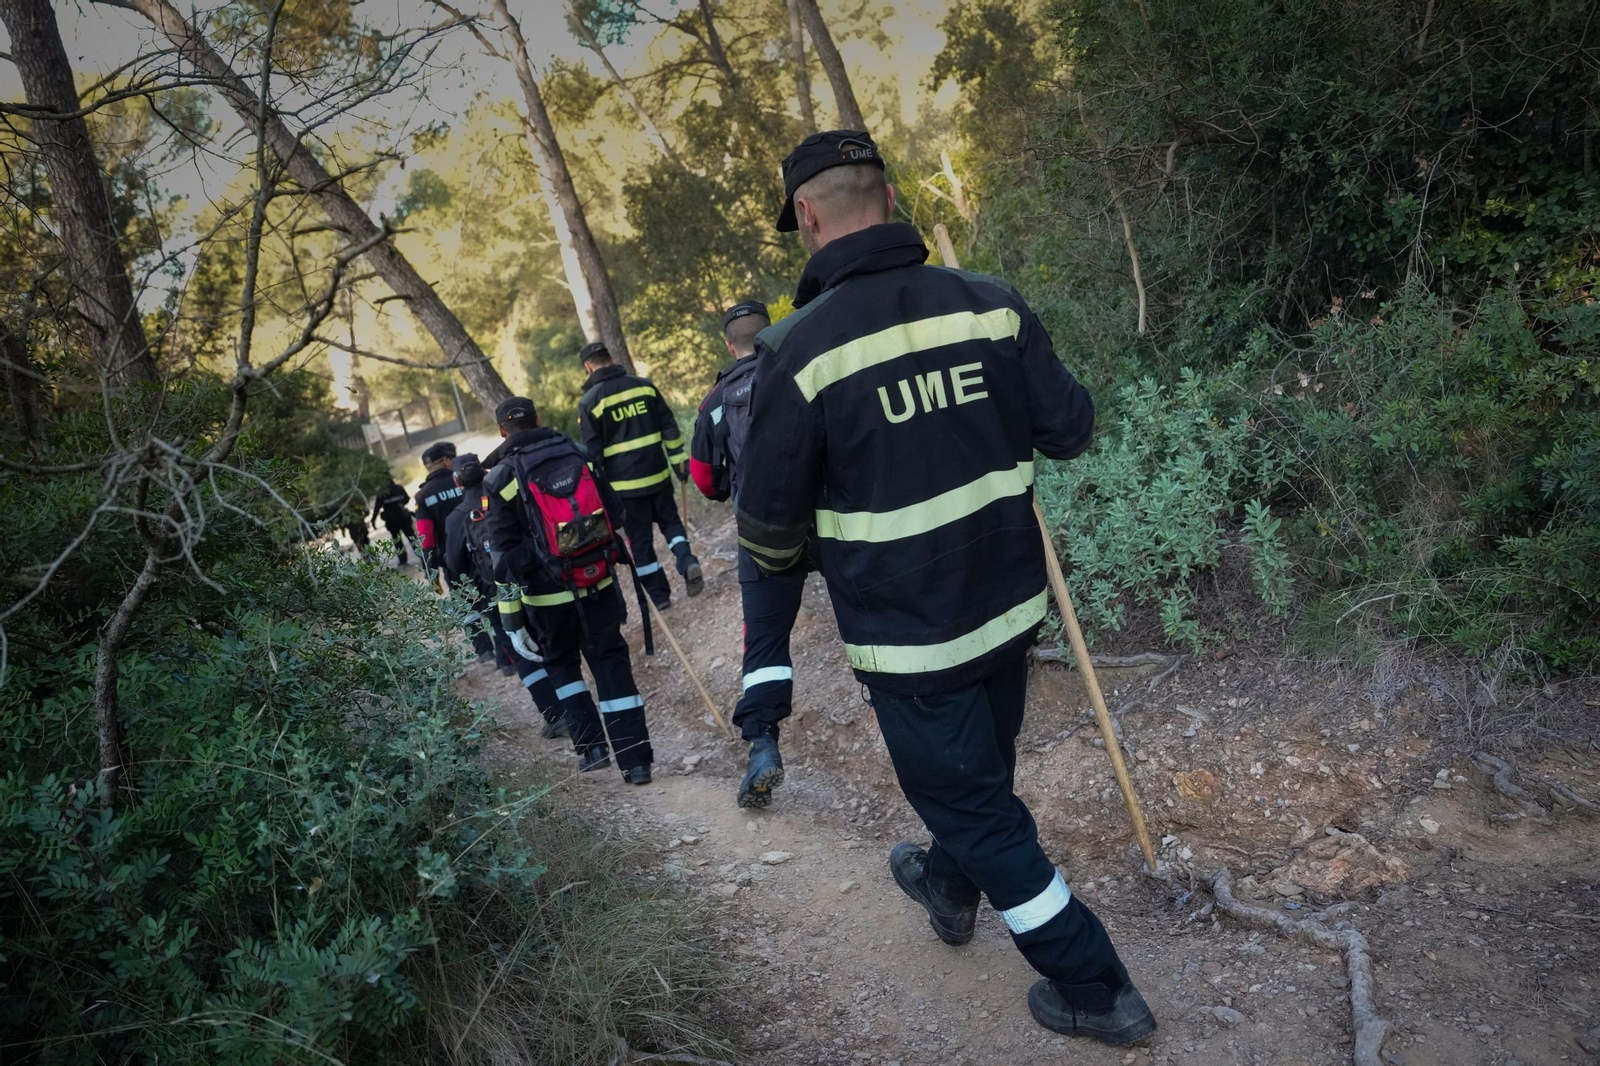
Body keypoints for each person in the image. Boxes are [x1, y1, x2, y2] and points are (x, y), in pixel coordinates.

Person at [734, 130, 1156, 1046]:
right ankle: (947, 885)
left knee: (974, 804)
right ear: (887, 198)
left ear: (807, 215)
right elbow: (1072, 429)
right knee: (977, 779)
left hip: (911, 639)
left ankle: (1096, 988)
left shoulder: (797, 352)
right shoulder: (989, 307)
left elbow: (765, 531)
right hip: (1008, 611)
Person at [485, 396, 653, 783]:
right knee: (612, 665)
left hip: (546, 602)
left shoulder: (500, 478)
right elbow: (618, 514)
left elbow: (505, 559)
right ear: (538, 418)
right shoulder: (579, 454)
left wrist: (512, 621)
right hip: (598, 584)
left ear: (501, 431)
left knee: (562, 666)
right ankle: (636, 761)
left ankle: (592, 751)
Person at [690, 300, 814, 808]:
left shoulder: (716, 401)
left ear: (729, 344)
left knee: (764, 642)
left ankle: (762, 742)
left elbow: (704, 479)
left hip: (762, 534)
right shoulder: (802, 368)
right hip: (828, 519)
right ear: (771, 331)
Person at [446, 452, 568, 739]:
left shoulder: (458, 518)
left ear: (456, 482)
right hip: (531, 584)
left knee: (522, 655)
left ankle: (555, 715)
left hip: (494, 596)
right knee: (546, 644)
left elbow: (453, 563)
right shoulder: (503, 493)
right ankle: (574, 706)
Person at [576, 342, 703, 610]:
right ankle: (687, 561)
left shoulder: (590, 402)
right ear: (611, 358)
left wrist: (598, 495)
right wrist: (679, 462)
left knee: (641, 541)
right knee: (671, 524)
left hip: (626, 490)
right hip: (658, 475)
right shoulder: (644, 386)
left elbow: (593, 455)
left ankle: (660, 596)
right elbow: (668, 424)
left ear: (588, 367)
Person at [413, 441, 462, 578]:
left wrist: (431, 573)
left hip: (451, 559)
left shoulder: (422, 496)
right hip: (479, 551)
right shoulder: (463, 479)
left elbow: (426, 537)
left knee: (463, 597)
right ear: (446, 460)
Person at [370, 475, 414, 566]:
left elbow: (377, 508)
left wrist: (373, 521)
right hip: (403, 518)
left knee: (397, 542)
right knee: (412, 538)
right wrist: (399, 504)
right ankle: (423, 556)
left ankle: (403, 561)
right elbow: (407, 499)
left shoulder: (382, 493)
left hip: (392, 521)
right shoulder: (399, 488)